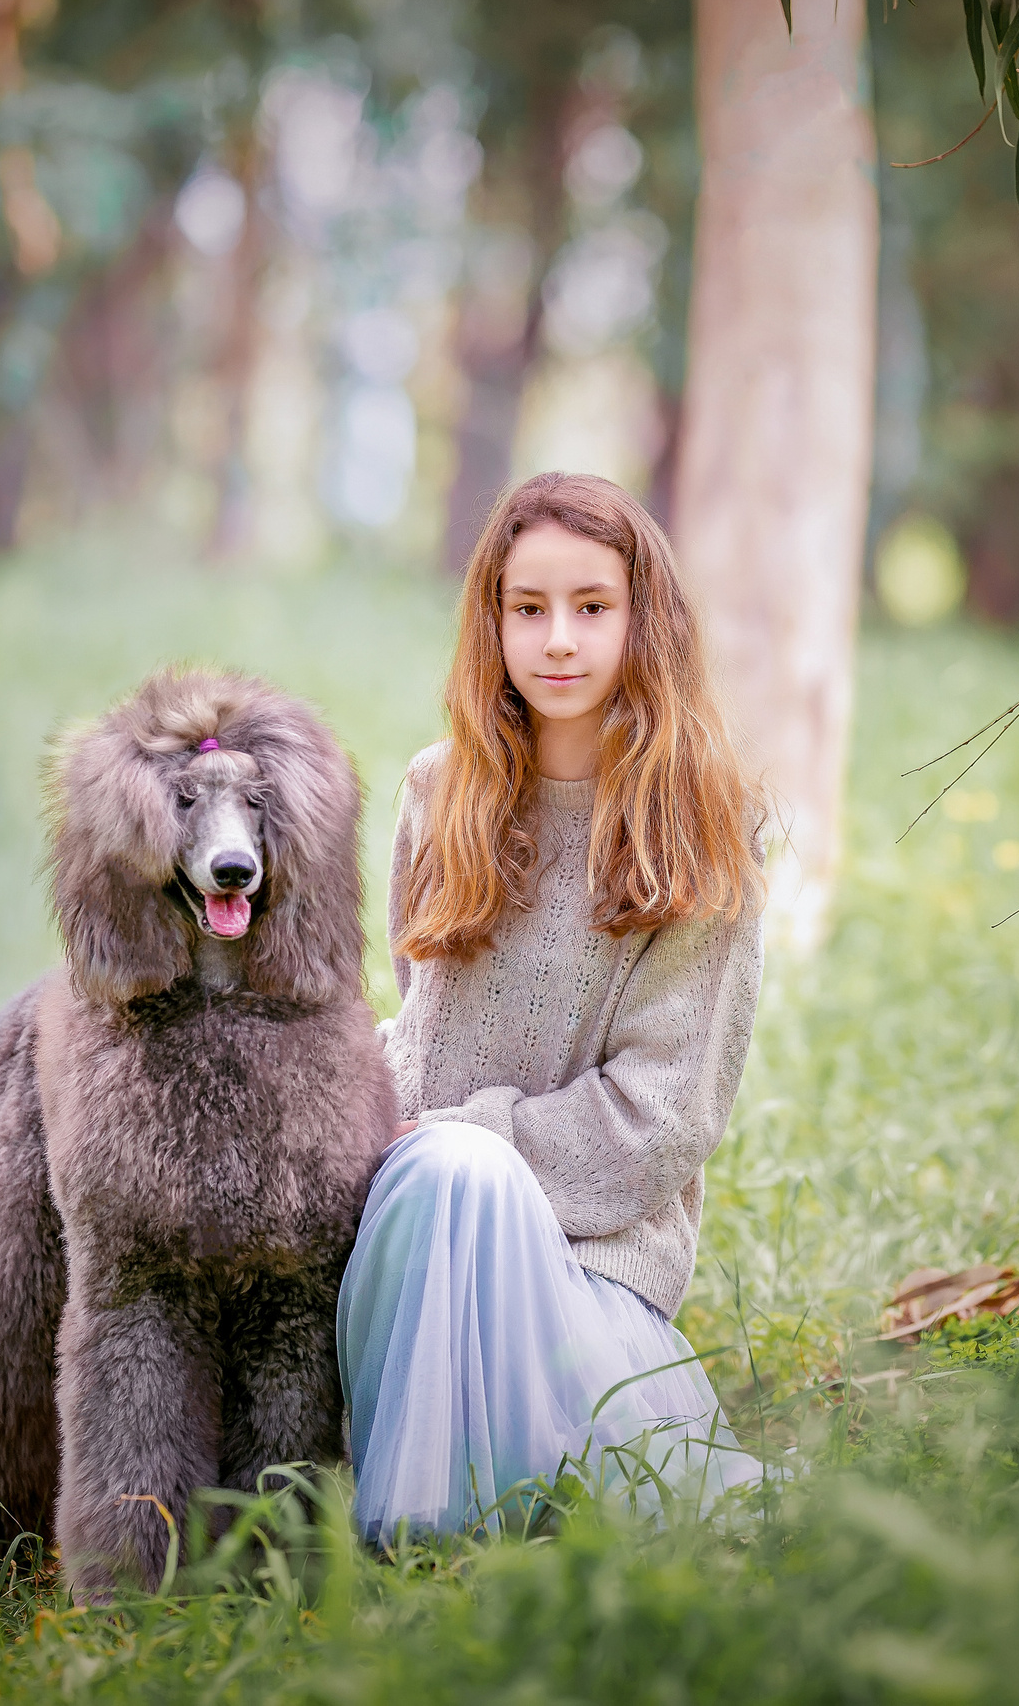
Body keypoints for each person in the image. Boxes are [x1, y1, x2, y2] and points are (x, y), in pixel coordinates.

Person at [340, 470, 768, 1541]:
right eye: (527, 608)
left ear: (643, 619)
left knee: (454, 1166)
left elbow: (662, 1116)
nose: (558, 640)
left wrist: (464, 1142)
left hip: (584, 1282)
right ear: (492, 619)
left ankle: (424, 1532)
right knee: (437, 1174)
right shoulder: (442, 791)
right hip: (419, 1233)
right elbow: (418, 1026)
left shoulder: (704, 820)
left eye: (591, 606)